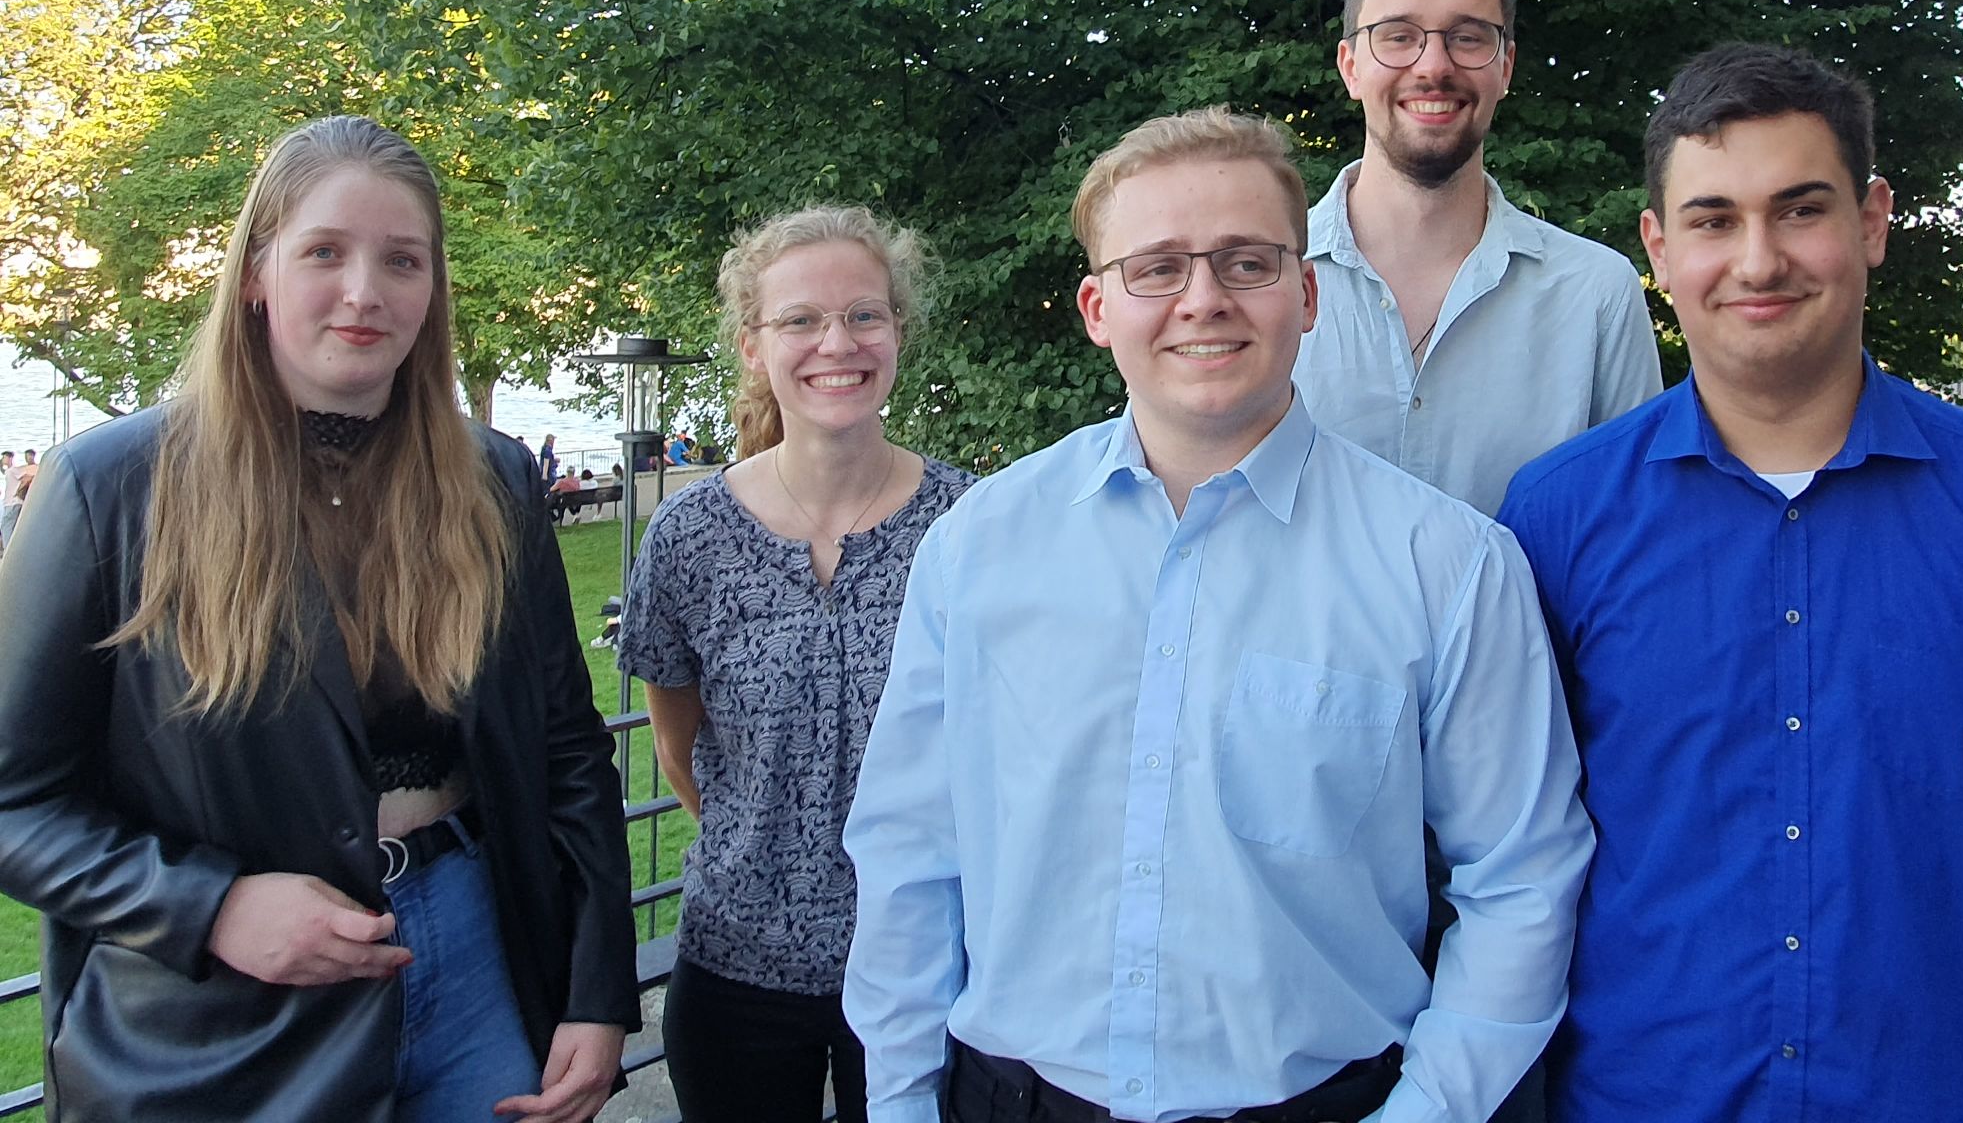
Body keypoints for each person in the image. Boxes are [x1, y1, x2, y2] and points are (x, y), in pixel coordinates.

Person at [1498, 45, 1963, 1122]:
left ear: (1872, 221)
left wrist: (1949, 1008)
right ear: (1659, 248)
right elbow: (1504, 855)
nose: (1758, 260)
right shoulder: (1557, 518)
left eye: (1800, 210)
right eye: (1713, 220)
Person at [845, 108, 1592, 1123]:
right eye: (1156, 268)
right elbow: (909, 856)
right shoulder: (979, 547)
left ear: (1307, 293)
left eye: (1247, 262)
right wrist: (897, 1103)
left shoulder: (1448, 567)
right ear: (1097, 307)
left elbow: (1522, 881)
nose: (1203, 299)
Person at [0, 116, 639, 1123]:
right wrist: (210, 906)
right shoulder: (107, 487)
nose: (364, 292)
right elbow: (15, 799)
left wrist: (596, 993)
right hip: (220, 1025)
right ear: (257, 272)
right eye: (325, 253)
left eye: (402, 260)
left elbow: (567, 749)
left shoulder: (495, 479)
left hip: (478, 967)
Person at [620, 206, 972, 1123]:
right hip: (736, 969)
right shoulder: (690, 537)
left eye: (864, 314)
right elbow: (677, 748)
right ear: (753, 345)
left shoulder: (972, 525)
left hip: (930, 967)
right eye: (801, 320)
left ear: (898, 331)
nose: (837, 344)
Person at [1293, 0, 1660, 515]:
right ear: (1350, 66)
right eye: (1398, 35)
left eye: (1467, 37)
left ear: (1505, 67)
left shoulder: (1597, 294)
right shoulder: (1259, 285)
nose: (1433, 66)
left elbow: (1632, 531)